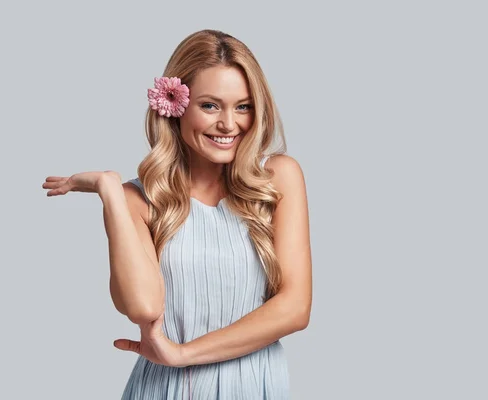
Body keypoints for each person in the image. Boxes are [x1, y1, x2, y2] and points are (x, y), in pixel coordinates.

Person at [42, 29, 312, 400]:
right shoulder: (138, 200)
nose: (229, 124)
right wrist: (110, 192)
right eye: (210, 105)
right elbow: (142, 306)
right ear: (175, 105)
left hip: (253, 384)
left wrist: (183, 354)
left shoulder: (278, 178)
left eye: (243, 106)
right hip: (167, 389)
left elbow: (295, 309)